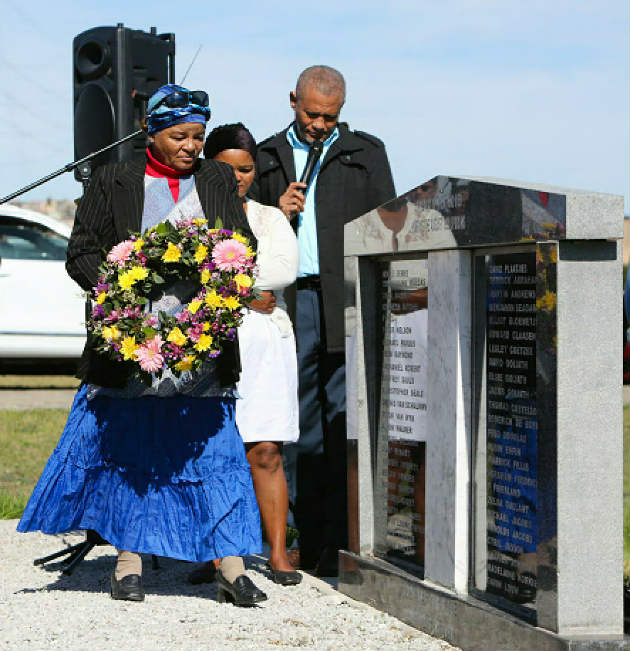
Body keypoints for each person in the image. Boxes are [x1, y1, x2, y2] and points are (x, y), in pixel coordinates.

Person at [17, 85, 267, 606]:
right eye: (179, 136)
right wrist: (120, 290)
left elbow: (243, 247)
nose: (191, 146)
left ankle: (232, 563)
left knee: (213, 449)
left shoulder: (216, 177)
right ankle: (128, 562)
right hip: (131, 340)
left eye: (198, 136)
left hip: (203, 340)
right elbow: (81, 251)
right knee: (134, 447)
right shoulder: (114, 179)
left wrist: (220, 275)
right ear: (151, 132)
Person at [250, 65, 396, 575]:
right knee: (295, 424)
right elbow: (241, 230)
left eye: (330, 117)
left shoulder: (364, 154)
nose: (319, 124)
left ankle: (339, 538)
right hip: (290, 303)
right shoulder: (265, 157)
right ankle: (291, 538)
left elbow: (388, 227)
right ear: (292, 100)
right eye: (311, 113)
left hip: (347, 299)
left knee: (344, 421)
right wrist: (277, 209)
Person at [188, 123, 301, 586]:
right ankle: (214, 554)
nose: (237, 177)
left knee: (266, 449)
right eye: (226, 168)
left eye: (246, 169)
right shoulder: (189, 215)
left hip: (265, 345)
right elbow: (186, 269)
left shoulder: (269, 219)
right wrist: (247, 293)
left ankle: (275, 552)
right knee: (211, 452)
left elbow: (282, 270)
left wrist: (234, 285)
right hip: (210, 342)